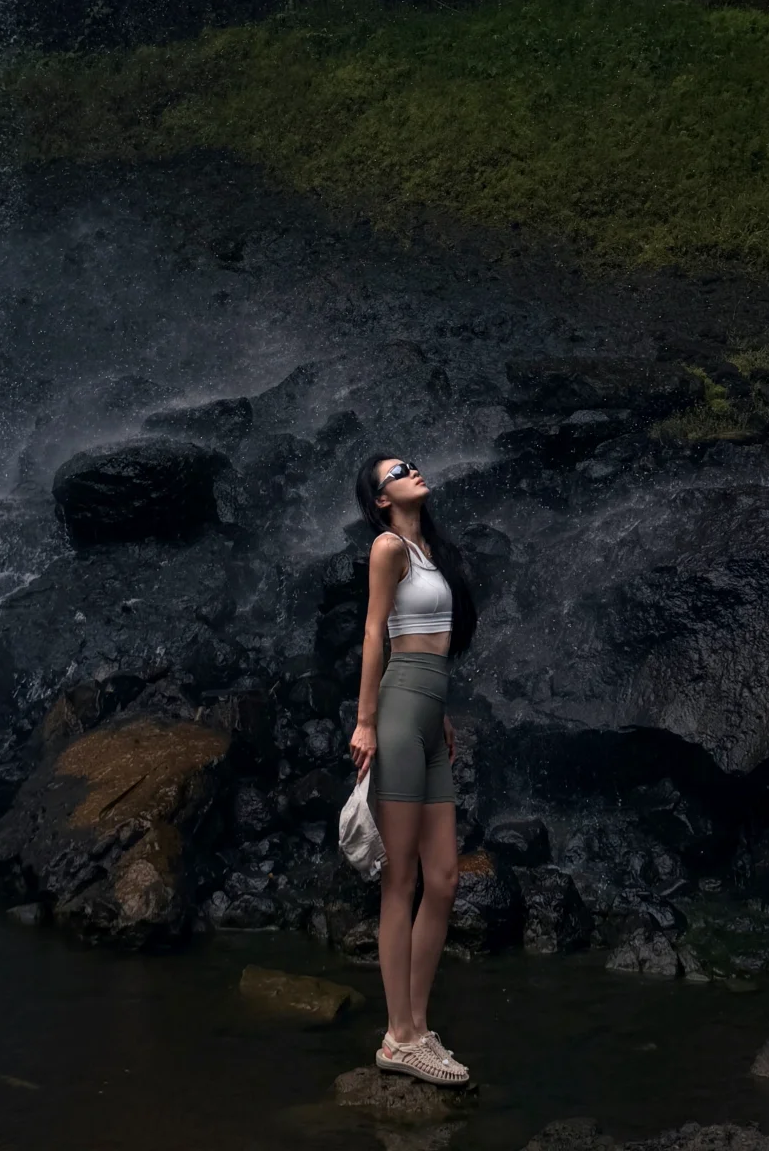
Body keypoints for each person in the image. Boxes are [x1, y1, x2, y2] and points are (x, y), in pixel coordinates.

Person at [350, 453, 478, 1087]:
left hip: (429, 716)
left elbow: (427, 637)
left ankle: (419, 1027)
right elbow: (376, 633)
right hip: (399, 715)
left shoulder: (428, 550)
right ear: (381, 499)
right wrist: (366, 720)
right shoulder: (387, 547)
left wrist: (441, 715)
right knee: (400, 881)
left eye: (410, 464)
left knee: (445, 879)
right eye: (397, 471)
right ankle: (397, 1036)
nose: (411, 471)